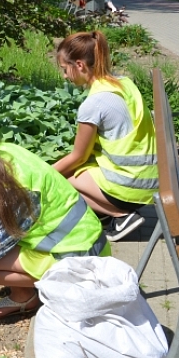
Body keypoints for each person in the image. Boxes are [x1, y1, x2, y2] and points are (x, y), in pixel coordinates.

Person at [0, 115, 108, 319]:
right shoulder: (3, 154)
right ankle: (22, 296)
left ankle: (26, 297)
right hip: (86, 243)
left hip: (83, 262)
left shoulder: (9, 189)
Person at [54, 31, 157, 242]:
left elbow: (78, 157)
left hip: (130, 187)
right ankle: (105, 212)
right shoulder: (123, 83)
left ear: (80, 65)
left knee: (61, 179)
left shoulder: (94, 104)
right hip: (151, 180)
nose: (65, 76)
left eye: (65, 69)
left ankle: (121, 216)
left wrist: (43, 173)